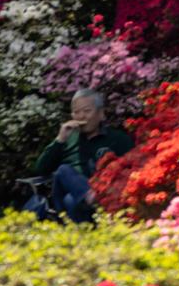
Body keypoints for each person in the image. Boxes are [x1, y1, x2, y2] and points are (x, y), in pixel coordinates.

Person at [24, 90, 133, 224]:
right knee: (64, 170)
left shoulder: (118, 139)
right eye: (76, 112)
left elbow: (132, 168)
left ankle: (86, 219)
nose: (81, 116)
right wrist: (60, 139)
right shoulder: (67, 138)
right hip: (67, 200)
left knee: (71, 200)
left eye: (87, 111)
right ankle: (91, 197)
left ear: (101, 114)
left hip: (100, 196)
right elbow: (41, 170)